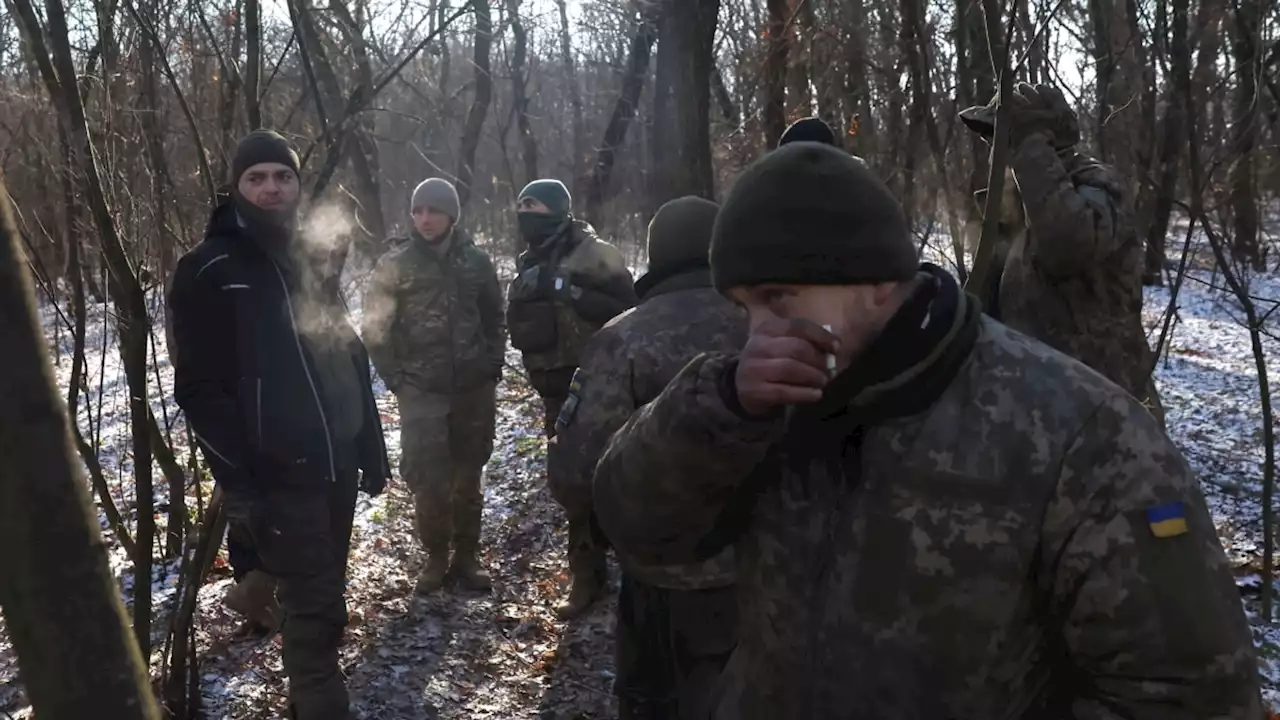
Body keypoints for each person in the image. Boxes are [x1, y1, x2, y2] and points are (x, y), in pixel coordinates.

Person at [592, 141, 1263, 719]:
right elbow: (633, 524)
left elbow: (1186, 694)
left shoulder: (1079, 433)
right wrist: (719, 412)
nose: (757, 333)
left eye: (778, 300)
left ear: (879, 283)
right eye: (743, 307)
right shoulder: (763, 403)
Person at [168, 129, 390, 720]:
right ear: (236, 187)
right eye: (256, 178)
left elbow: (343, 354)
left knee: (322, 588)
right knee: (318, 612)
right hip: (276, 472)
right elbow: (197, 389)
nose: (271, 187)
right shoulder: (207, 268)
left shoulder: (312, 257)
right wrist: (244, 480)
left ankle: (256, 583)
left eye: (283, 176)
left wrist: (368, 445)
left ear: (297, 183)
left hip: (335, 460)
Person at [550, 196, 742, 718]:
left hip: (656, 576)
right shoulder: (770, 327)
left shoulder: (623, 338)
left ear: (657, 254)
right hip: (761, 576)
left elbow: (572, 473)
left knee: (653, 703)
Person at [959, 82, 1163, 423]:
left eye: (1003, 138)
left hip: (1104, 409)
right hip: (1036, 408)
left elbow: (1068, 246)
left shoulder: (1096, 185)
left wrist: (1030, 149)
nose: (994, 150)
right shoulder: (1012, 203)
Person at [363, 178, 505, 594]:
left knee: (467, 477)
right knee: (429, 480)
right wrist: (397, 378)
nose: (424, 219)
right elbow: (375, 328)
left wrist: (491, 364)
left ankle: (466, 555)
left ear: (451, 216)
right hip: (421, 391)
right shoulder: (396, 264)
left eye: (434, 211)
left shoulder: (477, 262)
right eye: (418, 211)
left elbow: (494, 318)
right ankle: (436, 557)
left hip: (473, 389)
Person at [505, 178, 637, 618]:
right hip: (557, 388)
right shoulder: (526, 262)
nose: (526, 213)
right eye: (522, 205)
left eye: (535, 205)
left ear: (558, 209)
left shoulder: (595, 252)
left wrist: (566, 289)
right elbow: (518, 324)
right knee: (572, 480)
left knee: (619, 472)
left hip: (606, 380)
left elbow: (629, 308)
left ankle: (637, 564)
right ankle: (586, 573)